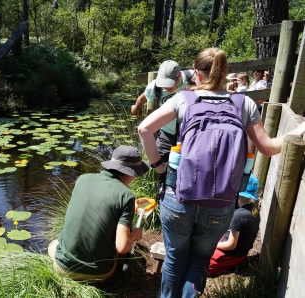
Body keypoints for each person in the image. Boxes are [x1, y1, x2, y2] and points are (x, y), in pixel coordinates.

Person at [138, 48, 305, 298]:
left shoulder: (183, 99)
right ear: (227, 72)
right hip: (220, 203)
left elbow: (144, 129)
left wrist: (159, 166)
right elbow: (268, 148)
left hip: (179, 197)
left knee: (174, 258)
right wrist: (297, 130)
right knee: (199, 260)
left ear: (196, 73)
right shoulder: (244, 103)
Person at [47, 146, 150, 282]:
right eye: (136, 174)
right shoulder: (127, 196)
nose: (135, 178)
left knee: (53, 244)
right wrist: (134, 234)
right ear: (129, 173)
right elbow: (122, 247)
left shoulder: (82, 179)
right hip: (99, 274)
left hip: (63, 268)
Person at [131, 60, 193, 162]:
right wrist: (136, 108)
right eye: (164, 83)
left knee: (186, 163)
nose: (167, 87)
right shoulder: (155, 86)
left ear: (179, 76)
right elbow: (143, 97)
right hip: (167, 130)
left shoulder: (192, 78)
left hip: (188, 130)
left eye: (170, 83)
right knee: (161, 161)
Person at [208, 174, 260, 275]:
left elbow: (231, 245)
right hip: (242, 252)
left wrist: (212, 245)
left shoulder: (238, 216)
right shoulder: (253, 209)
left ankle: (227, 267)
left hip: (230, 254)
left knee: (200, 265)